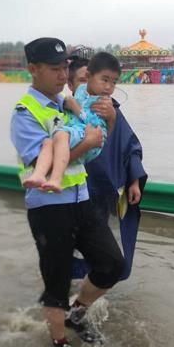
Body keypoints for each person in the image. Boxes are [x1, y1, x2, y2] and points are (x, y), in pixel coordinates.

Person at [10, 37, 125, 347]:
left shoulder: (70, 103)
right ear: (33, 70)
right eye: (54, 69)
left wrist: (109, 123)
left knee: (112, 264)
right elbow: (40, 165)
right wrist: (86, 143)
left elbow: (96, 143)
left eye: (65, 69)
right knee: (56, 281)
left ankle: (78, 313)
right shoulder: (25, 112)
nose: (63, 76)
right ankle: (58, 343)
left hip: (82, 199)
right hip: (49, 207)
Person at [67, 59, 147, 281]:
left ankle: (93, 291)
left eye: (109, 82)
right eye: (83, 80)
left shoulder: (112, 110)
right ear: (71, 84)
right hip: (74, 193)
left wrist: (133, 181)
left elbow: (129, 146)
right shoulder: (64, 111)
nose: (102, 87)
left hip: (105, 191)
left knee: (106, 249)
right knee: (70, 248)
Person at [21, 52, 120, 193]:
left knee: (60, 135)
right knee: (48, 142)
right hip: (77, 134)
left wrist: (76, 109)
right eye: (104, 80)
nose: (109, 87)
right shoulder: (77, 93)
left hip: (87, 135)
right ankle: (38, 175)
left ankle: (55, 179)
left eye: (113, 82)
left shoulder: (104, 102)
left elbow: (95, 126)